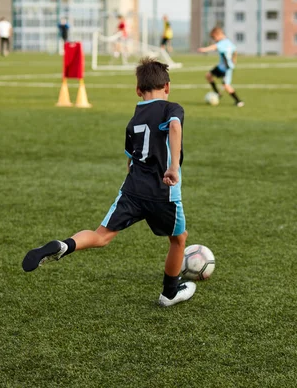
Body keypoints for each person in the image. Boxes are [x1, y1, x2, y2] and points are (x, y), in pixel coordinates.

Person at [22, 58, 196, 307]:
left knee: (101, 236)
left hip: (133, 190)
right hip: (163, 192)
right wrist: (172, 167)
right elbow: (176, 128)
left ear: (138, 90)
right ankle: (170, 292)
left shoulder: (133, 121)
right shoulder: (172, 109)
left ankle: (65, 245)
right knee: (179, 239)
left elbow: (130, 160)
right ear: (167, 87)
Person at [197, 27, 244, 107]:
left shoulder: (222, 43)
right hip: (222, 66)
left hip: (226, 68)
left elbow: (214, 47)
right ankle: (217, 93)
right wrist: (234, 59)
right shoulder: (228, 42)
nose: (214, 39)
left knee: (226, 85)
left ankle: (238, 101)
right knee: (208, 75)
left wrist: (204, 49)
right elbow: (235, 50)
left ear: (218, 35)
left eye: (214, 37)